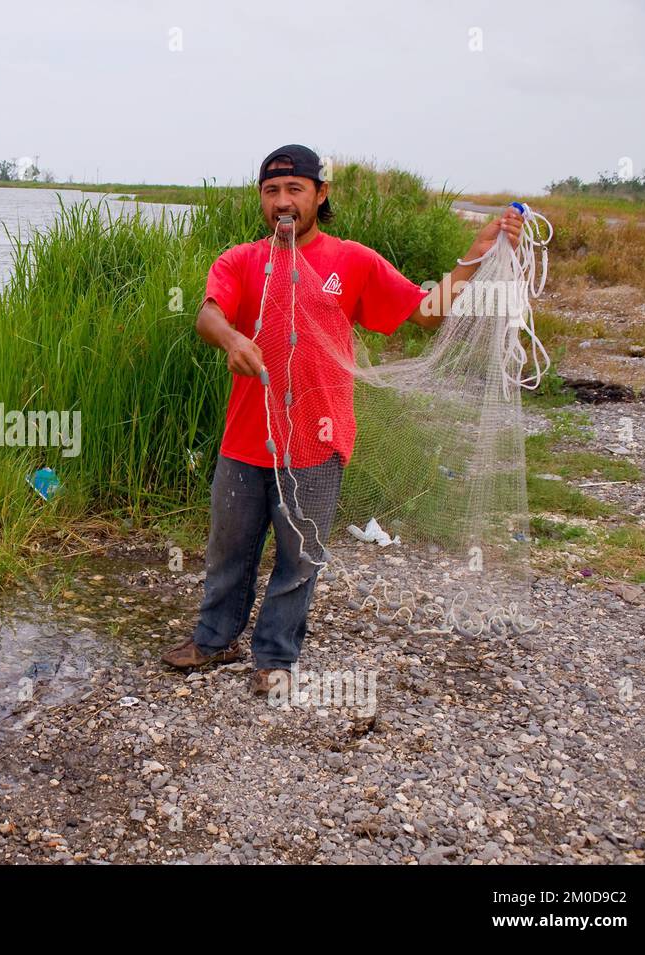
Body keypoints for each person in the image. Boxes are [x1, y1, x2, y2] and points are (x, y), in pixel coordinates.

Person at [160, 143, 523, 695]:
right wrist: (233, 337)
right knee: (227, 550)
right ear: (261, 198)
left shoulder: (352, 260)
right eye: (271, 191)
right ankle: (213, 639)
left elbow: (426, 314)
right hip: (245, 441)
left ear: (319, 194)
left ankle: (275, 657)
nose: (283, 202)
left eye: (294, 190)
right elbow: (208, 311)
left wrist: (475, 252)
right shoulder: (240, 260)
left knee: (299, 558)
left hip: (317, 441)